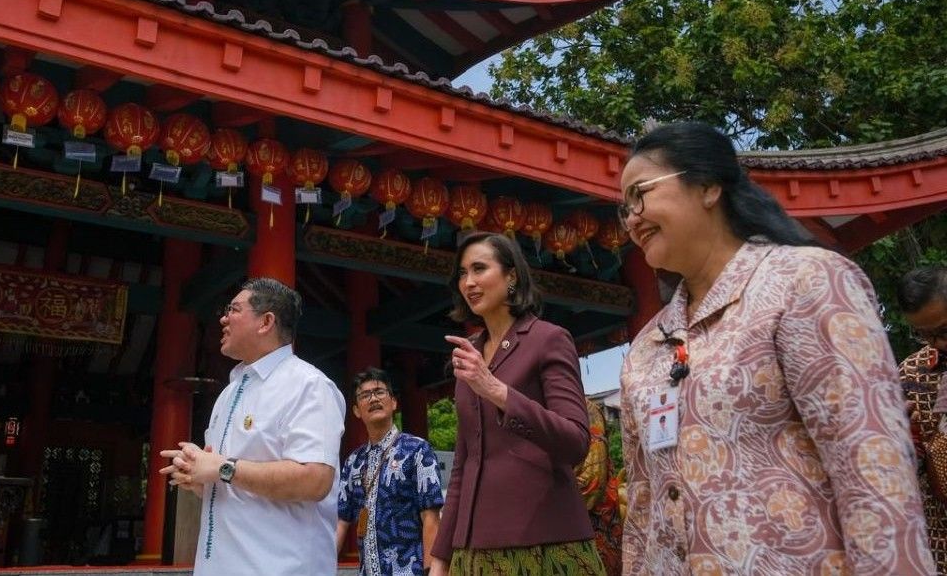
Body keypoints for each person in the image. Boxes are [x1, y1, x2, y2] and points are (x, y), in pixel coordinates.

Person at [617, 121, 933, 574]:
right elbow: (642, 503)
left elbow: (871, 470)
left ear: (708, 186)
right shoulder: (648, 344)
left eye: (640, 194)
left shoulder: (805, 282)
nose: (631, 218)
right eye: (623, 207)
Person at [429, 231, 605, 575]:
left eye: (480, 268)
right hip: (473, 550)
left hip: (545, 540)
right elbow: (464, 462)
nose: (469, 282)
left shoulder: (548, 339)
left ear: (511, 276)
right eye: (462, 273)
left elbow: (575, 441)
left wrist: (496, 390)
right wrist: (441, 558)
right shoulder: (469, 353)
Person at [160, 277, 346, 575]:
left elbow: (315, 480)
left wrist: (223, 468)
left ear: (266, 322)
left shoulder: (309, 386)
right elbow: (231, 481)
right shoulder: (228, 393)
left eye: (233, 309)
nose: (223, 319)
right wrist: (200, 477)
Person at [337, 367, 444, 575]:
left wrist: (432, 571)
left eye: (379, 392)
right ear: (357, 411)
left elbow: (431, 516)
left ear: (393, 402)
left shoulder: (417, 450)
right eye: (365, 395)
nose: (373, 398)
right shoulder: (353, 462)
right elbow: (341, 522)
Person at [897, 266, 947, 571]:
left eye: (944, 331)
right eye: (923, 335)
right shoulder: (910, 374)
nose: (936, 344)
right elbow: (906, 465)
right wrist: (902, 440)